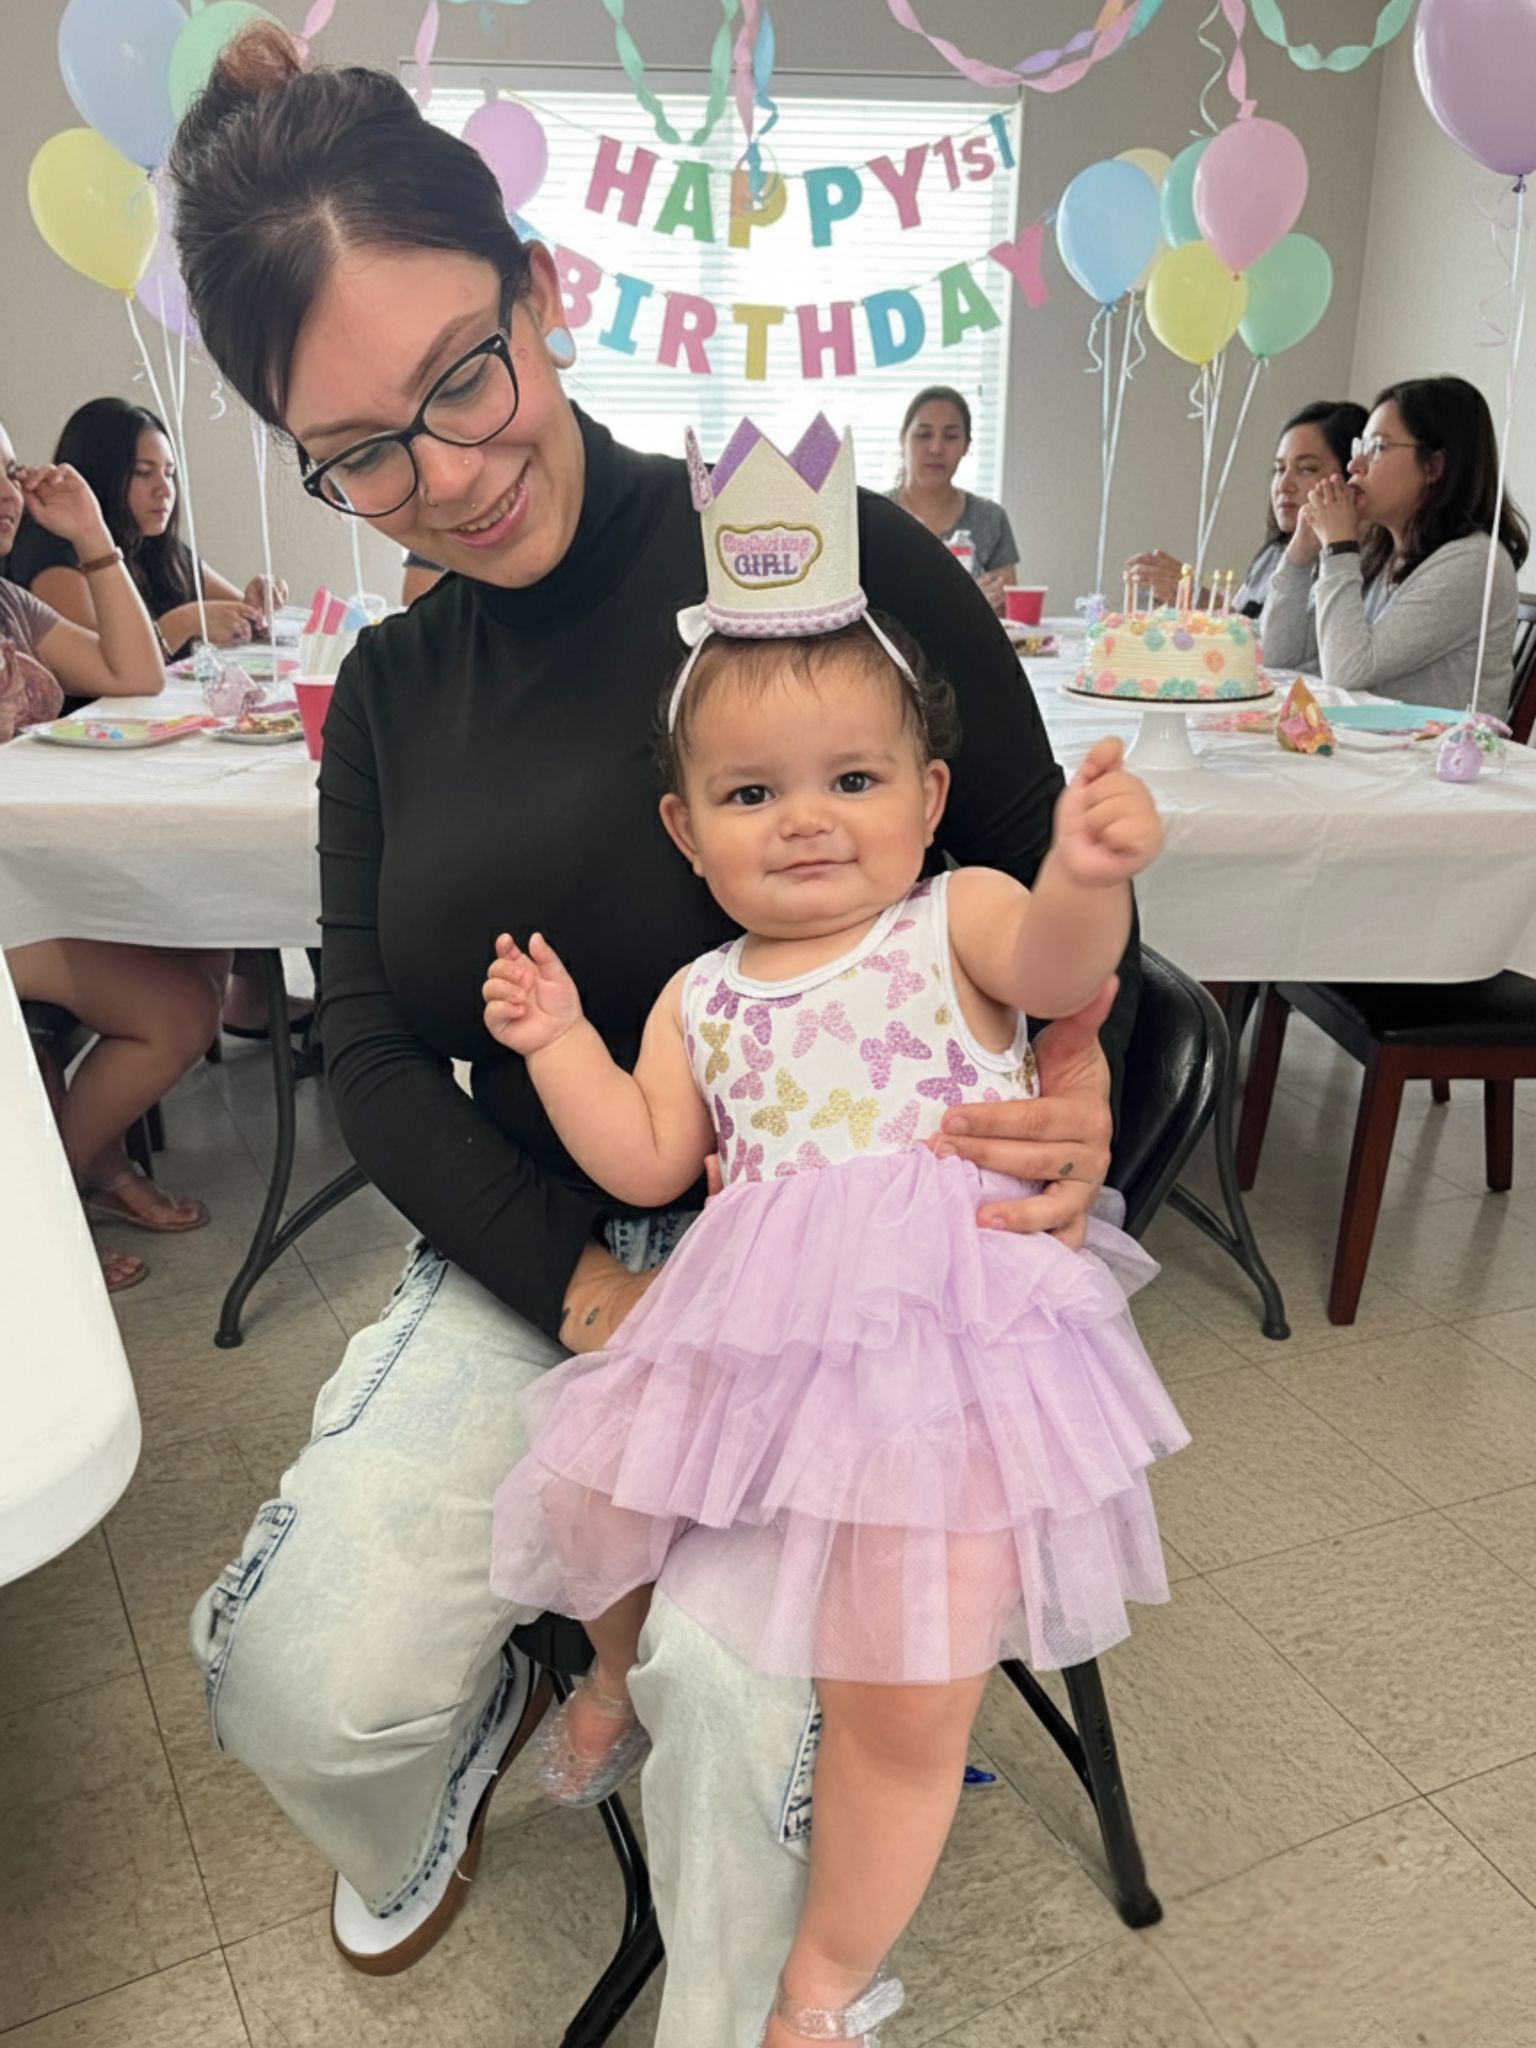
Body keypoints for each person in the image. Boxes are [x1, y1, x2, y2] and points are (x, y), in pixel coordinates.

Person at [167, 28, 1140, 2034]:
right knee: (296, 1681)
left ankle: (777, 2003)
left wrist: (1082, 1079)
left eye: (464, 376)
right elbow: (360, 1057)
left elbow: (1041, 869)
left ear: (542, 287)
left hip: (875, 1267)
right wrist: (594, 1290)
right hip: (561, 1244)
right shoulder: (389, 694)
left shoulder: (805, 550)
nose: (442, 473)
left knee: (738, 1709)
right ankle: (441, 1772)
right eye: (359, 451)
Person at [482, 422, 1186, 2037]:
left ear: (930, 797)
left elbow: (1066, 969)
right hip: (751, 1346)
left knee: (905, 1697)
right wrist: (560, 1045)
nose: (805, 820)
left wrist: (1085, 873)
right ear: (685, 827)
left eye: (853, 780)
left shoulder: (957, 915)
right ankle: (605, 1673)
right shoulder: (699, 992)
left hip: (937, 1373)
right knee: (595, 1493)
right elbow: (650, 1157)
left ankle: (818, 1980)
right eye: (750, 791)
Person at [1, 423, 224, 1288]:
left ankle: (89, 1162)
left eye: (8, 472)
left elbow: (137, 676)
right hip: (13, 895)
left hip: (43, 873)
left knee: (210, 936)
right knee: (179, 1014)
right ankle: (48, 1211)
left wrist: (92, 535)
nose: (7, 493)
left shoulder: (12, 603)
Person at [1264, 375, 1530, 709]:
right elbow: (1279, 656)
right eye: (1359, 447)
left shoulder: (1474, 562)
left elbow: (1347, 670)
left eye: (1377, 448)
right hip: (1371, 748)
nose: (1353, 465)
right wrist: (1300, 556)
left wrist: (1340, 548)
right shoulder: (1384, 550)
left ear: (1434, 466)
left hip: (1437, 758)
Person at [4, 397, 282, 656]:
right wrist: (187, 620)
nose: (164, 490)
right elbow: (105, 668)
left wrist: (257, 603)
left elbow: (246, 616)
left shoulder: (154, 544)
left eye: (170, 474)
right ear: (101, 475)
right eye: (144, 473)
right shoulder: (50, 547)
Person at [1124, 398, 1367, 667]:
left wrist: (1197, 598)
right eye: (1278, 469)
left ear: (1353, 475)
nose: (1283, 485)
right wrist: (1184, 601)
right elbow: (1243, 622)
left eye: (1306, 469)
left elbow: (1276, 651)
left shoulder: (1350, 567)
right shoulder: (1275, 553)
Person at [890, 386, 1017, 615]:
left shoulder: (990, 518)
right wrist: (965, 603)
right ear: (903, 439)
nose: (936, 448)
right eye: (924, 435)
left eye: (950, 436)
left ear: (966, 445)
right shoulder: (874, 515)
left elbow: (1006, 614)